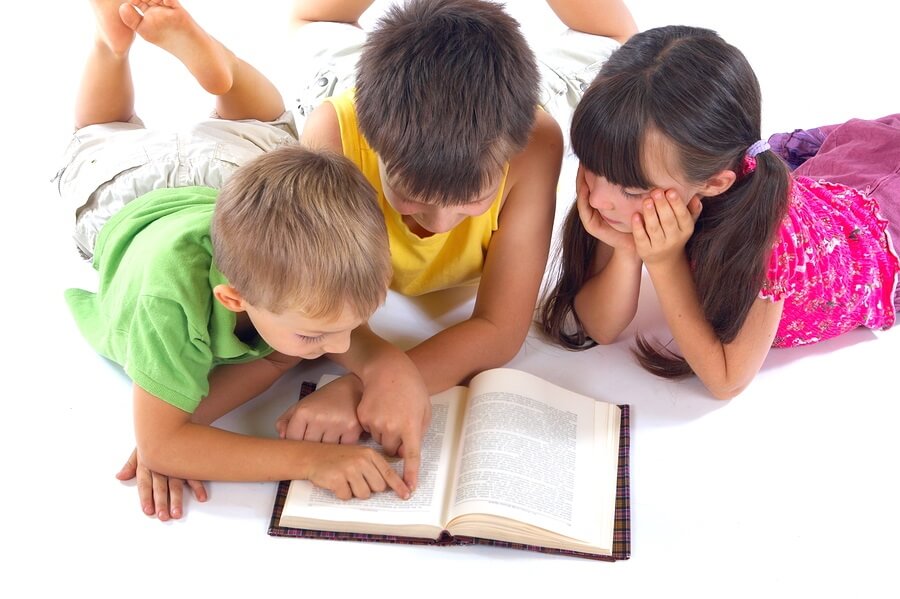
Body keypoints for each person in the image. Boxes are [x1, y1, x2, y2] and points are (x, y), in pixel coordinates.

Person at [59, 0, 413, 521]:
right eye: (314, 336)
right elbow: (160, 447)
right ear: (234, 298)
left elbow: (275, 358)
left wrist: (385, 364)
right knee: (100, 133)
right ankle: (110, 47)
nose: (337, 349)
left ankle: (225, 80)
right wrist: (312, 461)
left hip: (230, 180)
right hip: (128, 191)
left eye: (352, 326)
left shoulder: (297, 271)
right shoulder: (164, 304)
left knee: (267, 130)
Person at [277, 0, 637, 472]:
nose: (440, 223)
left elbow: (501, 328)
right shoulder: (334, 137)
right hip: (348, 82)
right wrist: (382, 369)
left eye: (471, 199)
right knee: (316, 23)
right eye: (408, 195)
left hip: (515, 105)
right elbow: (319, 296)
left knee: (617, 42)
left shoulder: (535, 142)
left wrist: (365, 384)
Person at [539, 25, 900, 400]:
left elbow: (726, 379)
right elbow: (601, 328)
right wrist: (628, 252)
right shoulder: (633, 184)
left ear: (713, 184)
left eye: (629, 188)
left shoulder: (771, 237)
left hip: (881, 231)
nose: (596, 199)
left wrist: (664, 263)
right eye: (589, 165)